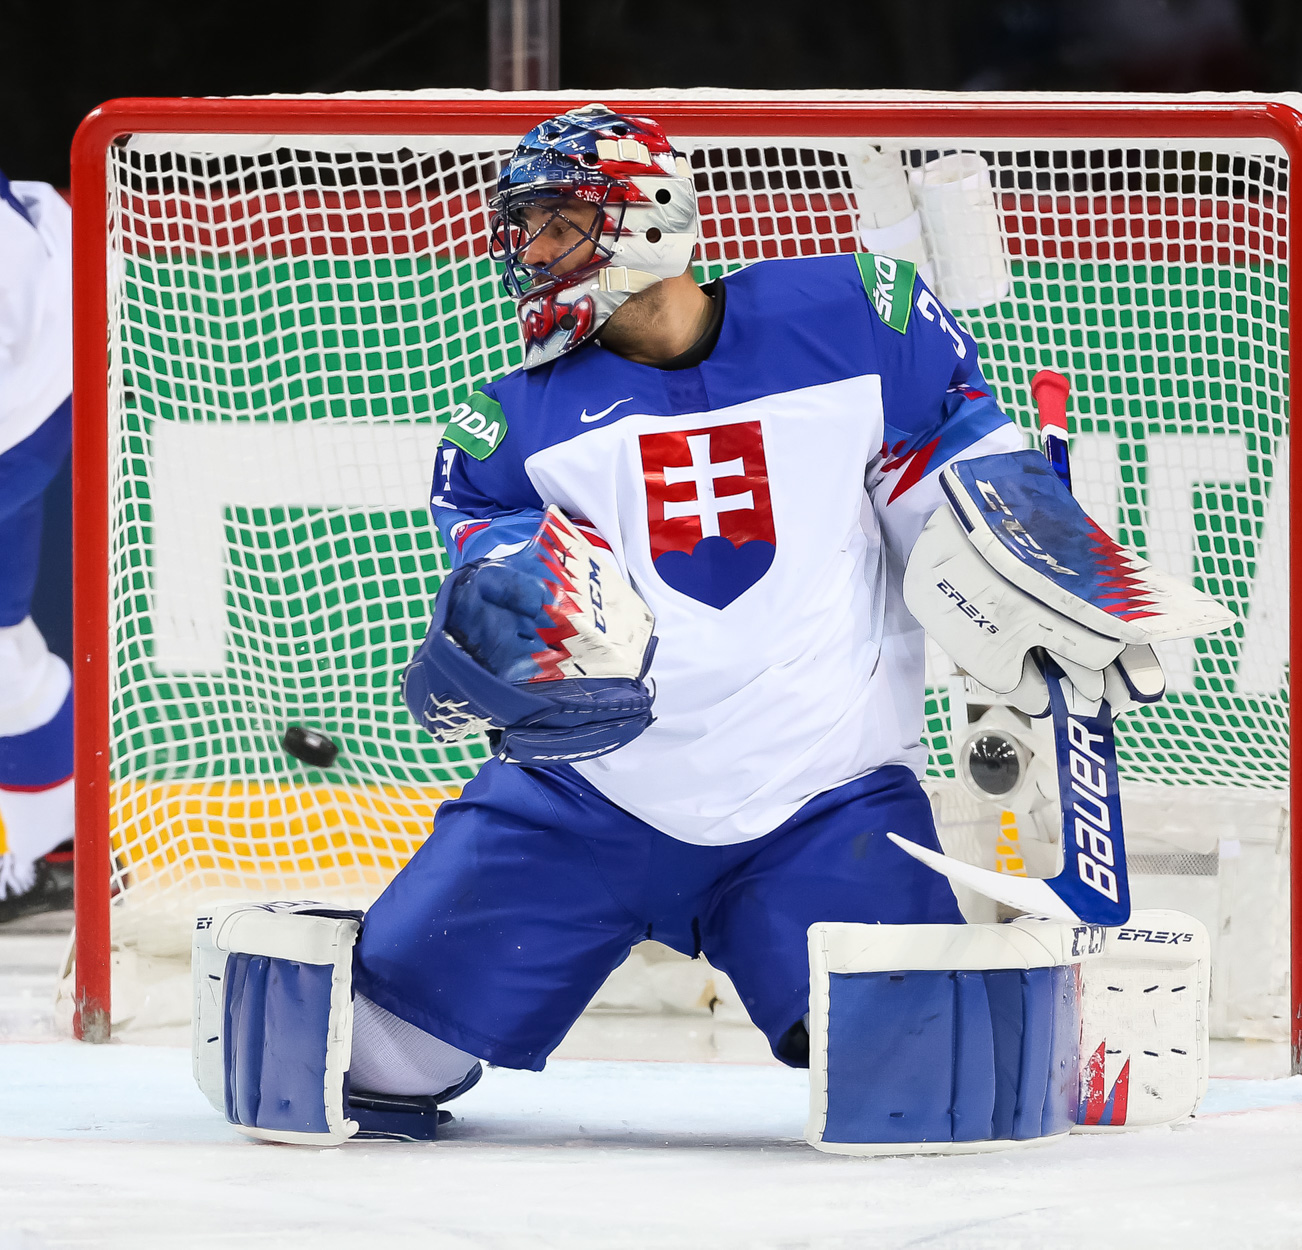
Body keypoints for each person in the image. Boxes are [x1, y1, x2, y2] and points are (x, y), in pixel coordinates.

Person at [190, 105, 1218, 1147]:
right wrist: (507, 624)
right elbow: (505, 573)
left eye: (557, 222)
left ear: (646, 218)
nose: (530, 251)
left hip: (821, 804)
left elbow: (958, 483)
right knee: (346, 1063)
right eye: (525, 227)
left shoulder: (858, 316)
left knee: (928, 1081)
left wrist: (1040, 572)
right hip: (575, 806)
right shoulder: (506, 428)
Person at [0, 168, 75, 925]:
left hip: (17, 428)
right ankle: (43, 849)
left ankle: (42, 851)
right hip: (24, 423)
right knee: (6, 650)